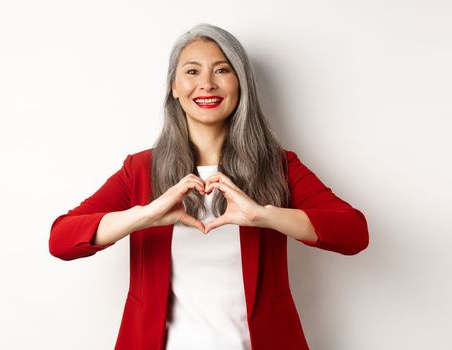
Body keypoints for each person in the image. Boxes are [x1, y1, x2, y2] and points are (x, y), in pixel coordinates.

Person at [48, 23, 369, 350]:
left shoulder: (279, 165)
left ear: (241, 84)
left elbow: (354, 232)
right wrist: (144, 215)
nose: (206, 84)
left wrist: (264, 216)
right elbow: (61, 239)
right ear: (174, 86)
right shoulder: (141, 169)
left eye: (221, 70)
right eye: (192, 71)